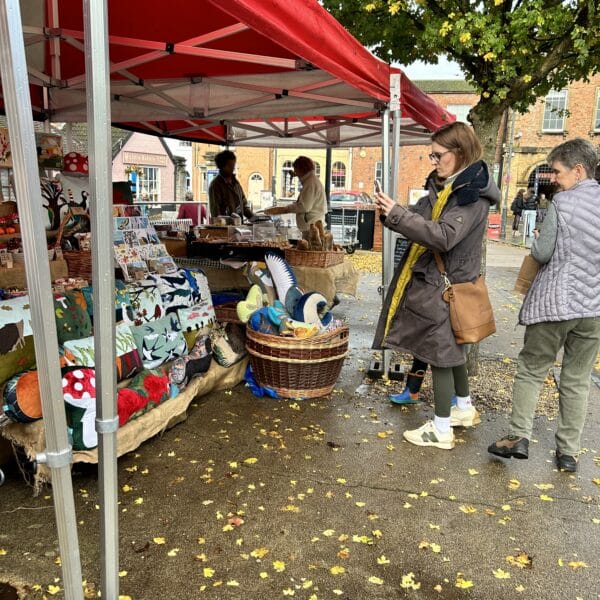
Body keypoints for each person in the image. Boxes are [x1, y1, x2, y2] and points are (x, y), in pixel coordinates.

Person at [373, 121, 500, 450]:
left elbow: (443, 236)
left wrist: (398, 215)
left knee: (441, 354)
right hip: (446, 284)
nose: (433, 161)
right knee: (453, 351)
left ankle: (441, 429)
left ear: (458, 153)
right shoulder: (450, 187)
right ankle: (463, 408)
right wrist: (390, 214)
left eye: (437, 155)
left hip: (446, 287)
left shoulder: (469, 196)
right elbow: (420, 217)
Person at [488, 138, 600, 472]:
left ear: (578, 171)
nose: (554, 177)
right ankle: (568, 453)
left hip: (555, 303)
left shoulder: (563, 205)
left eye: (558, 171)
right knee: (577, 378)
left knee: (533, 369)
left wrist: (540, 239)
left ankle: (518, 436)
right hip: (594, 309)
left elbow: (542, 253)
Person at [263, 156, 327, 237]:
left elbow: (304, 207)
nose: (295, 172)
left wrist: (286, 209)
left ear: (301, 169)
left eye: (296, 169)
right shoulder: (311, 182)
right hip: (312, 226)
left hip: (311, 228)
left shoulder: (310, 183)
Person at [208, 150, 254, 222]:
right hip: (225, 229)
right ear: (222, 166)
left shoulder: (236, 183)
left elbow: (243, 205)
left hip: (239, 227)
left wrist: (255, 219)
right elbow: (216, 213)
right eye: (229, 165)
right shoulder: (215, 185)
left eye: (233, 165)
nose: (233, 168)